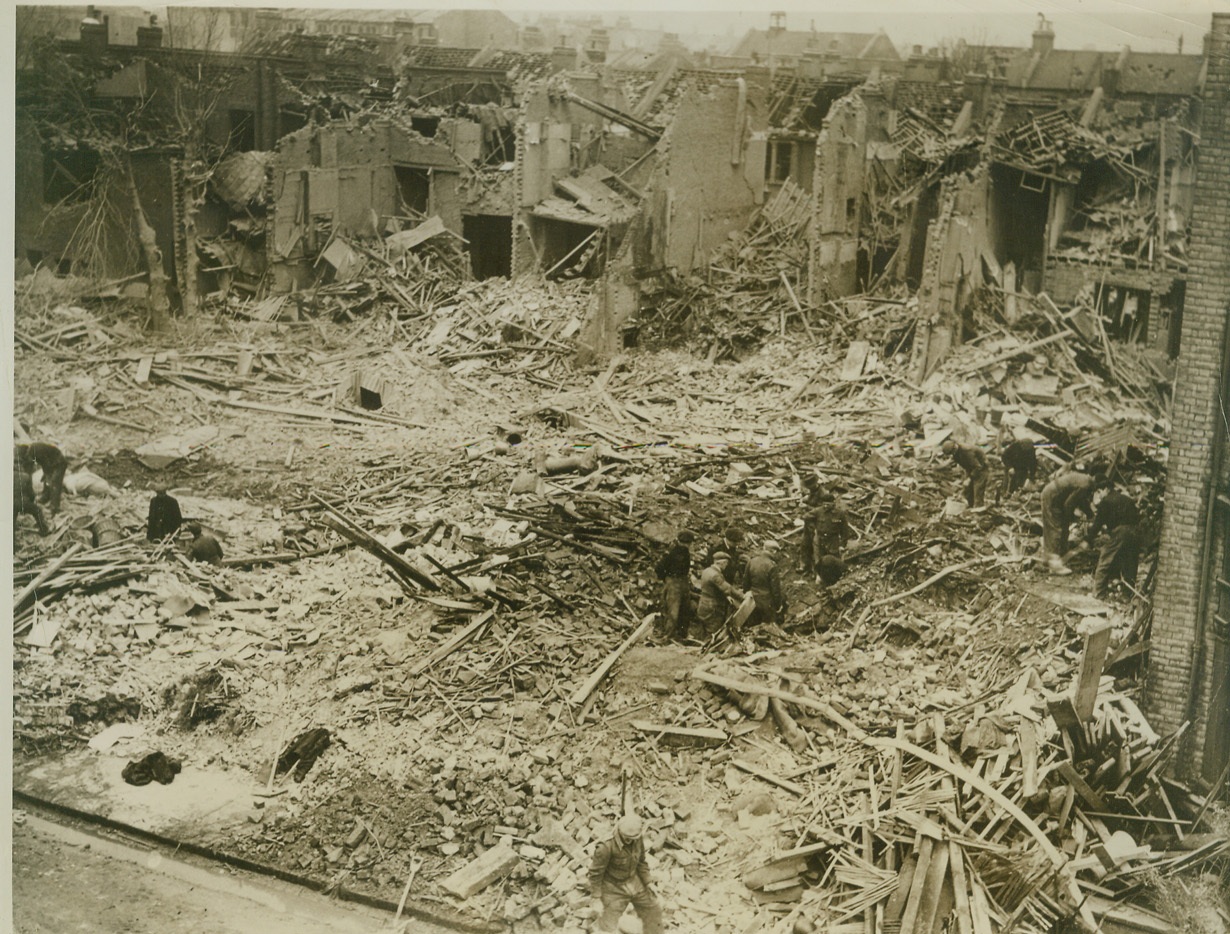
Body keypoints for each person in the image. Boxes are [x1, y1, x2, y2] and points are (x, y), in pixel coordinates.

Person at [588, 813, 663, 934]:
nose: (631, 841)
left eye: (634, 838)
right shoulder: (606, 847)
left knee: (654, 909)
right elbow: (595, 873)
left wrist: (648, 882)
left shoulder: (636, 839)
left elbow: (641, 862)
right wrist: (596, 897)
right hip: (612, 887)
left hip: (633, 882)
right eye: (627, 838)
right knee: (609, 925)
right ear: (620, 833)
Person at [1039, 467, 1099, 575]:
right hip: (1052, 497)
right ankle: (1054, 564)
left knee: (1063, 526)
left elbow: (1081, 501)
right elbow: (1069, 504)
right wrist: (1072, 517)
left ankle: (1056, 556)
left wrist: (1090, 515)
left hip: (1057, 497)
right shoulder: (1086, 485)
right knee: (1055, 527)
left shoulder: (1085, 480)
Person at [1087, 488, 1142, 598]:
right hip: (1135, 531)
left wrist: (1088, 539)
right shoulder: (1126, 498)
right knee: (1130, 563)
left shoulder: (1106, 502)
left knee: (1105, 559)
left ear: (1105, 489)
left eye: (1099, 492)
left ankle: (1098, 593)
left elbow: (1097, 524)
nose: (1099, 495)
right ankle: (1127, 595)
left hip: (1121, 532)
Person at [691, 553, 743, 641]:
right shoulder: (715, 575)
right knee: (713, 631)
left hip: (703, 604)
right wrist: (742, 596)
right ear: (721, 563)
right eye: (726, 563)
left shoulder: (707, 570)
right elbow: (728, 588)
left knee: (703, 631)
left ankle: (701, 645)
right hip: (713, 607)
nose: (726, 566)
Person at [654, 530, 694, 641]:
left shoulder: (685, 552)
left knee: (685, 609)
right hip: (674, 582)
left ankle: (682, 634)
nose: (687, 545)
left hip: (683, 581)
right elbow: (659, 568)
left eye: (688, 543)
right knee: (673, 610)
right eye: (685, 543)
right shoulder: (672, 552)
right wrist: (668, 580)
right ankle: (668, 635)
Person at [743, 539, 786, 630]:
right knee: (768, 628)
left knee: (753, 628)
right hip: (767, 602)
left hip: (752, 601)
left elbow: (746, 582)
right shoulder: (772, 565)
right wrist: (778, 606)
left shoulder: (752, 561)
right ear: (773, 551)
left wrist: (747, 594)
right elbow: (775, 590)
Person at [16, 441, 67, 514]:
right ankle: (45, 497)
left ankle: (54, 507)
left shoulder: (36, 450)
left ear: (27, 453)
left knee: (54, 483)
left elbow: (46, 463)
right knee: (46, 480)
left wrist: (47, 475)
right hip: (49, 462)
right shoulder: (28, 456)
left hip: (59, 462)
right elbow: (29, 472)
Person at [941, 440, 989, 508]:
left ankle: (979, 508)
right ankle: (970, 506)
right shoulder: (956, 452)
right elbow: (964, 464)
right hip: (970, 468)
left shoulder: (967, 451)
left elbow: (978, 467)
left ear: (954, 448)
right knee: (967, 489)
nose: (951, 455)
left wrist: (969, 479)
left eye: (951, 453)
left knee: (978, 489)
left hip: (981, 468)